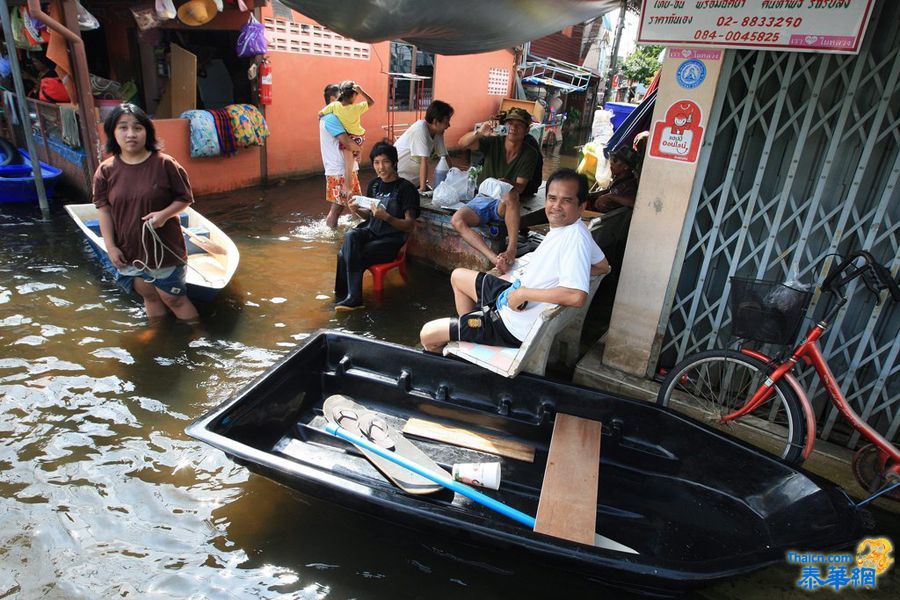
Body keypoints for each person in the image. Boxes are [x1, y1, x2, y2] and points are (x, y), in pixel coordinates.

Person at [420, 169, 610, 352]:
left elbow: (576, 296)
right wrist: (557, 278)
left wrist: (524, 294)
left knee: (428, 334)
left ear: (582, 206)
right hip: (516, 295)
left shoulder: (574, 239)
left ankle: (475, 333)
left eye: (566, 200)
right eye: (552, 198)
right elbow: (602, 266)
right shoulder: (576, 228)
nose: (556, 206)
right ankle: (472, 331)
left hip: (513, 323)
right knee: (458, 276)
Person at [92, 103, 199, 322]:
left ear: (147, 132)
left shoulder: (165, 164)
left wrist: (164, 215)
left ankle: (197, 338)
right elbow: (104, 212)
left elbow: (185, 198)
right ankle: (158, 337)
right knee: (150, 297)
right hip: (129, 251)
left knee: (175, 300)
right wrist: (111, 248)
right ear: (113, 132)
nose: (130, 134)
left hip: (165, 251)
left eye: (138, 128)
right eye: (123, 127)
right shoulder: (105, 170)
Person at [451, 107, 539, 273]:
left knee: (511, 194)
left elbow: (520, 186)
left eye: (519, 125)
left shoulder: (530, 153)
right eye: (510, 123)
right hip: (483, 197)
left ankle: (511, 249)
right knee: (457, 220)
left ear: (527, 130)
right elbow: (462, 143)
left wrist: (507, 183)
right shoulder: (493, 142)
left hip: (504, 203)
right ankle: (494, 258)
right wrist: (480, 132)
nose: (513, 127)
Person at [334, 142, 420, 311]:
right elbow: (370, 215)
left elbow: (410, 226)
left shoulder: (406, 189)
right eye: (376, 162)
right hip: (371, 233)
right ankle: (342, 296)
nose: (381, 167)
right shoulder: (374, 184)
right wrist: (356, 211)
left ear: (394, 163)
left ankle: (354, 299)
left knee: (347, 254)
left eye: (386, 162)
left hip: (390, 241)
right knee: (351, 236)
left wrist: (387, 217)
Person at [319, 79, 374, 199]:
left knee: (348, 165)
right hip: (358, 138)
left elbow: (320, 114)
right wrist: (361, 91)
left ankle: (347, 188)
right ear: (354, 95)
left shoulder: (334, 107)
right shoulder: (356, 108)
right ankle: (348, 188)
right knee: (350, 164)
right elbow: (371, 102)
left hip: (350, 138)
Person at [319, 83, 363, 228]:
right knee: (337, 209)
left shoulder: (335, 117)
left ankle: (354, 233)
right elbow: (348, 145)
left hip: (345, 169)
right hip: (339, 171)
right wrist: (359, 147)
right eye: (341, 96)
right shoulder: (331, 118)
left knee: (355, 205)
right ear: (333, 99)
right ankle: (332, 239)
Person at [394, 100, 454, 192]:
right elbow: (423, 160)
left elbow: (445, 156)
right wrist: (422, 189)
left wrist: (454, 176)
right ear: (435, 121)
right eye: (447, 121)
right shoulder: (420, 129)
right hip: (398, 182)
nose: (449, 125)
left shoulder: (438, 132)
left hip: (413, 182)